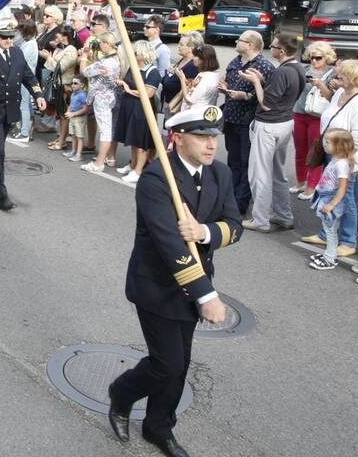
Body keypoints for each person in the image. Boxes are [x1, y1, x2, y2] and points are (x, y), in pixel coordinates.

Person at [107, 105, 242, 457]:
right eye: (202, 137)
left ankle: (158, 427)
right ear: (177, 138)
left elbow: (235, 225)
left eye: (214, 137)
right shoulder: (156, 178)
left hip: (194, 284)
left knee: (178, 364)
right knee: (168, 364)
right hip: (157, 285)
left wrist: (205, 231)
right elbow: (169, 244)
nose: (211, 145)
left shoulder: (220, 174)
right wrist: (207, 296)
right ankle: (122, 393)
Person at [303, 59, 358, 257]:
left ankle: (348, 241)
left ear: (353, 78)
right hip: (332, 153)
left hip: (345, 159)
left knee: (348, 201)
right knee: (328, 194)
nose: (338, 75)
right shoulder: (340, 93)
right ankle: (326, 234)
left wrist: (345, 162)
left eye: (342, 73)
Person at [0, 19, 44, 211]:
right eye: (5, 37)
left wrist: (38, 94)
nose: (9, 41)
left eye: (11, 37)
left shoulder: (17, 53)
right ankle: (1, 193)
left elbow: (28, 76)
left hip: (10, 109)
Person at [240, 33, 304, 233]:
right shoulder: (298, 68)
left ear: (282, 51)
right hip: (285, 123)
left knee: (259, 174)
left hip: (269, 125)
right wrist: (262, 80)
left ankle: (260, 219)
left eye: (274, 46)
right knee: (278, 172)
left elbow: (266, 104)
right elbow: (281, 94)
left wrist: (256, 83)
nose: (271, 48)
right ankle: (284, 215)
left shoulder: (282, 72)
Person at [217, 31, 274, 218]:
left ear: (250, 45)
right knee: (233, 161)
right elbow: (227, 78)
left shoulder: (264, 66)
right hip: (231, 117)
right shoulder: (235, 61)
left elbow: (268, 98)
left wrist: (247, 96)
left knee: (246, 162)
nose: (236, 41)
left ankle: (240, 204)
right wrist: (224, 86)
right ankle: (230, 199)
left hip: (247, 120)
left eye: (240, 40)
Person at [112, 41, 162, 185]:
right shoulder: (133, 67)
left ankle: (139, 171)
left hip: (142, 109)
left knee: (141, 141)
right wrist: (121, 83)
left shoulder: (153, 72)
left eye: (135, 53)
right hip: (129, 106)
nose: (133, 55)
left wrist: (128, 90)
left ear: (143, 54)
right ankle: (133, 165)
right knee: (133, 138)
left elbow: (149, 93)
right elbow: (127, 81)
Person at [293, 42, 337, 200]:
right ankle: (300, 181)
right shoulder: (304, 70)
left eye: (318, 58)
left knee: (315, 151)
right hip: (299, 112)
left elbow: (333, 98)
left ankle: (312, 186)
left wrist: (320, 85)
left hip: (318, 116)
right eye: (311, 58)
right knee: (300, 149)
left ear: (326, 58)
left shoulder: (332, 73)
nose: (314, 61)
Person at [307, 129, 355, 271]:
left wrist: (332, 204)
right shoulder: (335, 160)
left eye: (327, 142)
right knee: (329, 229)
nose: (324, 144)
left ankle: (329, 259)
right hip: (326, 196)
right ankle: (329, 254)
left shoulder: (341, 164)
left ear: (339, 146)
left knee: (331, 231)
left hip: (331, 200)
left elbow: (342, 188)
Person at [79, 32, 122, 173]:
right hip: (110, 96)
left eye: (100, 42)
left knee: (105, 131)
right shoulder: (116, 58)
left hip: (101, 98)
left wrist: (85, 56)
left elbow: (84, 72)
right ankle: (106, 157)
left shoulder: (105, 63)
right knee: (107, 129)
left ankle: (99, 163)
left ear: (106, 43)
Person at [64, 77, 89, 161]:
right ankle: (73, 151)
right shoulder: (73, 94)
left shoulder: (82, 95)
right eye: (72, 83)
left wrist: (73, 114)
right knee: (73, 136)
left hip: (79, 118)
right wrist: (68, 111)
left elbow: (85, 109)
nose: (73, 85)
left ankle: (78, 155)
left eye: (75, 83)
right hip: (73, 117)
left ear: (82, 85)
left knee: (79, 137)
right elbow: (71, 105)